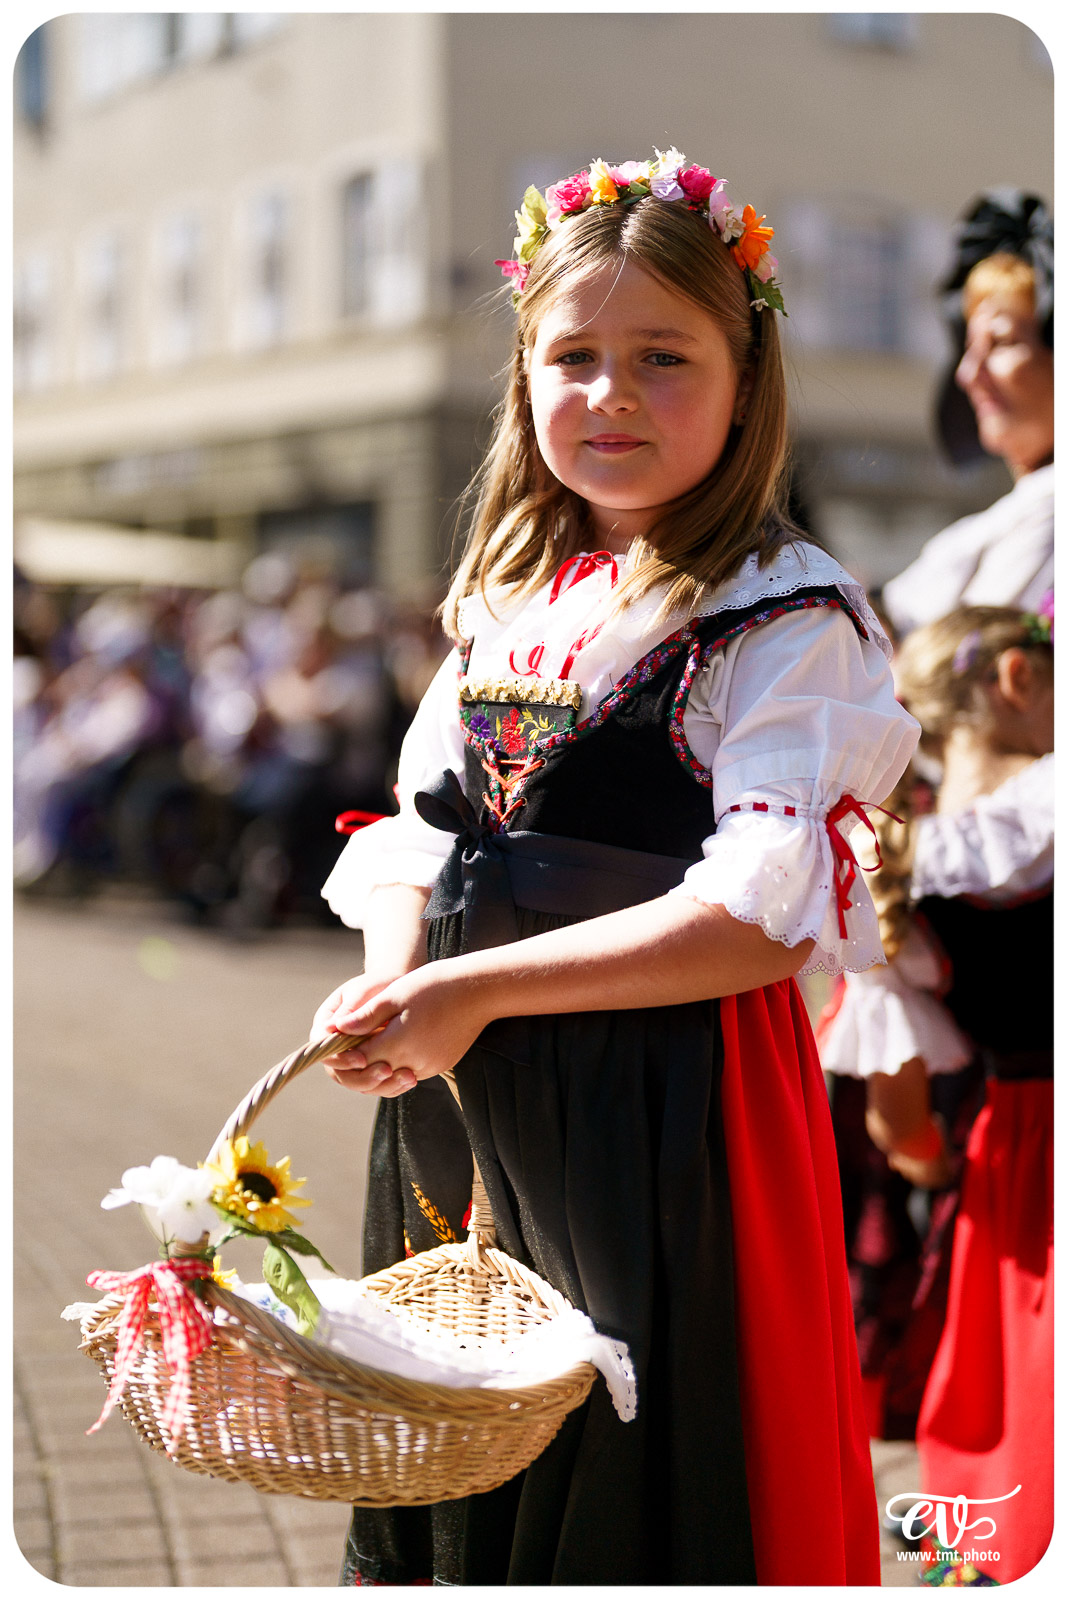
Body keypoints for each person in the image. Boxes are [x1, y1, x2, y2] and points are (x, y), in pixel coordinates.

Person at [313, 151, 919, 1586]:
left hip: (659, 1109)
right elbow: (420, 823)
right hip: (473, 1093)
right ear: (524, 377)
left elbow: (755, 919)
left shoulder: (783, 620)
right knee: (460, 1440)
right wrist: (395, 983)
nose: (612, 395)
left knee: (635, 1471)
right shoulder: (506, 600)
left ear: (744, 377)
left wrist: (475, 992)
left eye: (663, 357)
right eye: (572, 357)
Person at [819, 604, 1053, 1584]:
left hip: (1016, 1141)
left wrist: (938, 1165)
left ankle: (1000, 1536)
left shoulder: (901, 871)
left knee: (1020, 1367)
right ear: (1014, 677)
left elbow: (895, 1117)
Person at [882, 191, 1053, 638]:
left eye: (1000, 343)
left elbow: (965, 677)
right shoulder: (1012, 512)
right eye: (967, 347)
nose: (967, 373)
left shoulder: (1054, 507)